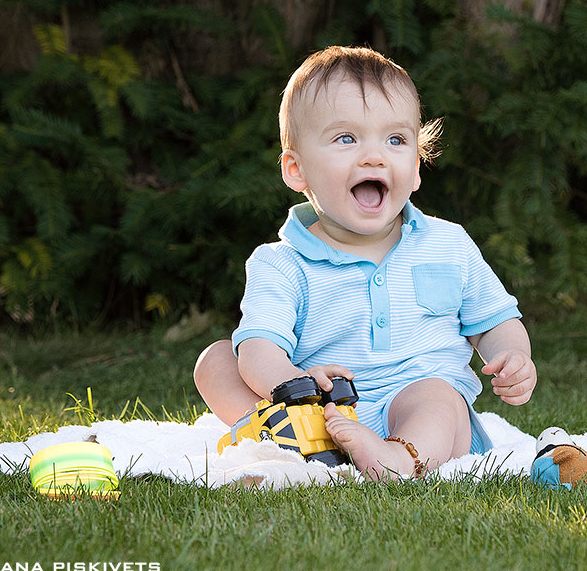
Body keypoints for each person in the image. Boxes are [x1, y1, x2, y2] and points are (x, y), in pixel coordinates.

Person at [193, 45, 536, 480]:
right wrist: (295, 385)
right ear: (297, 170)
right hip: (319, 410)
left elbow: (493, 322)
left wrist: (512, 356)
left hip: (415, 411)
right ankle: (284, 441)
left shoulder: (447, 244)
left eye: (395, 140)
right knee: (218, 359)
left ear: (414, 168)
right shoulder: (281, 263)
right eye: (346, 139)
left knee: (438, 397)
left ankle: (397, 458)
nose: (374, 156)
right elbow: (260, 348)